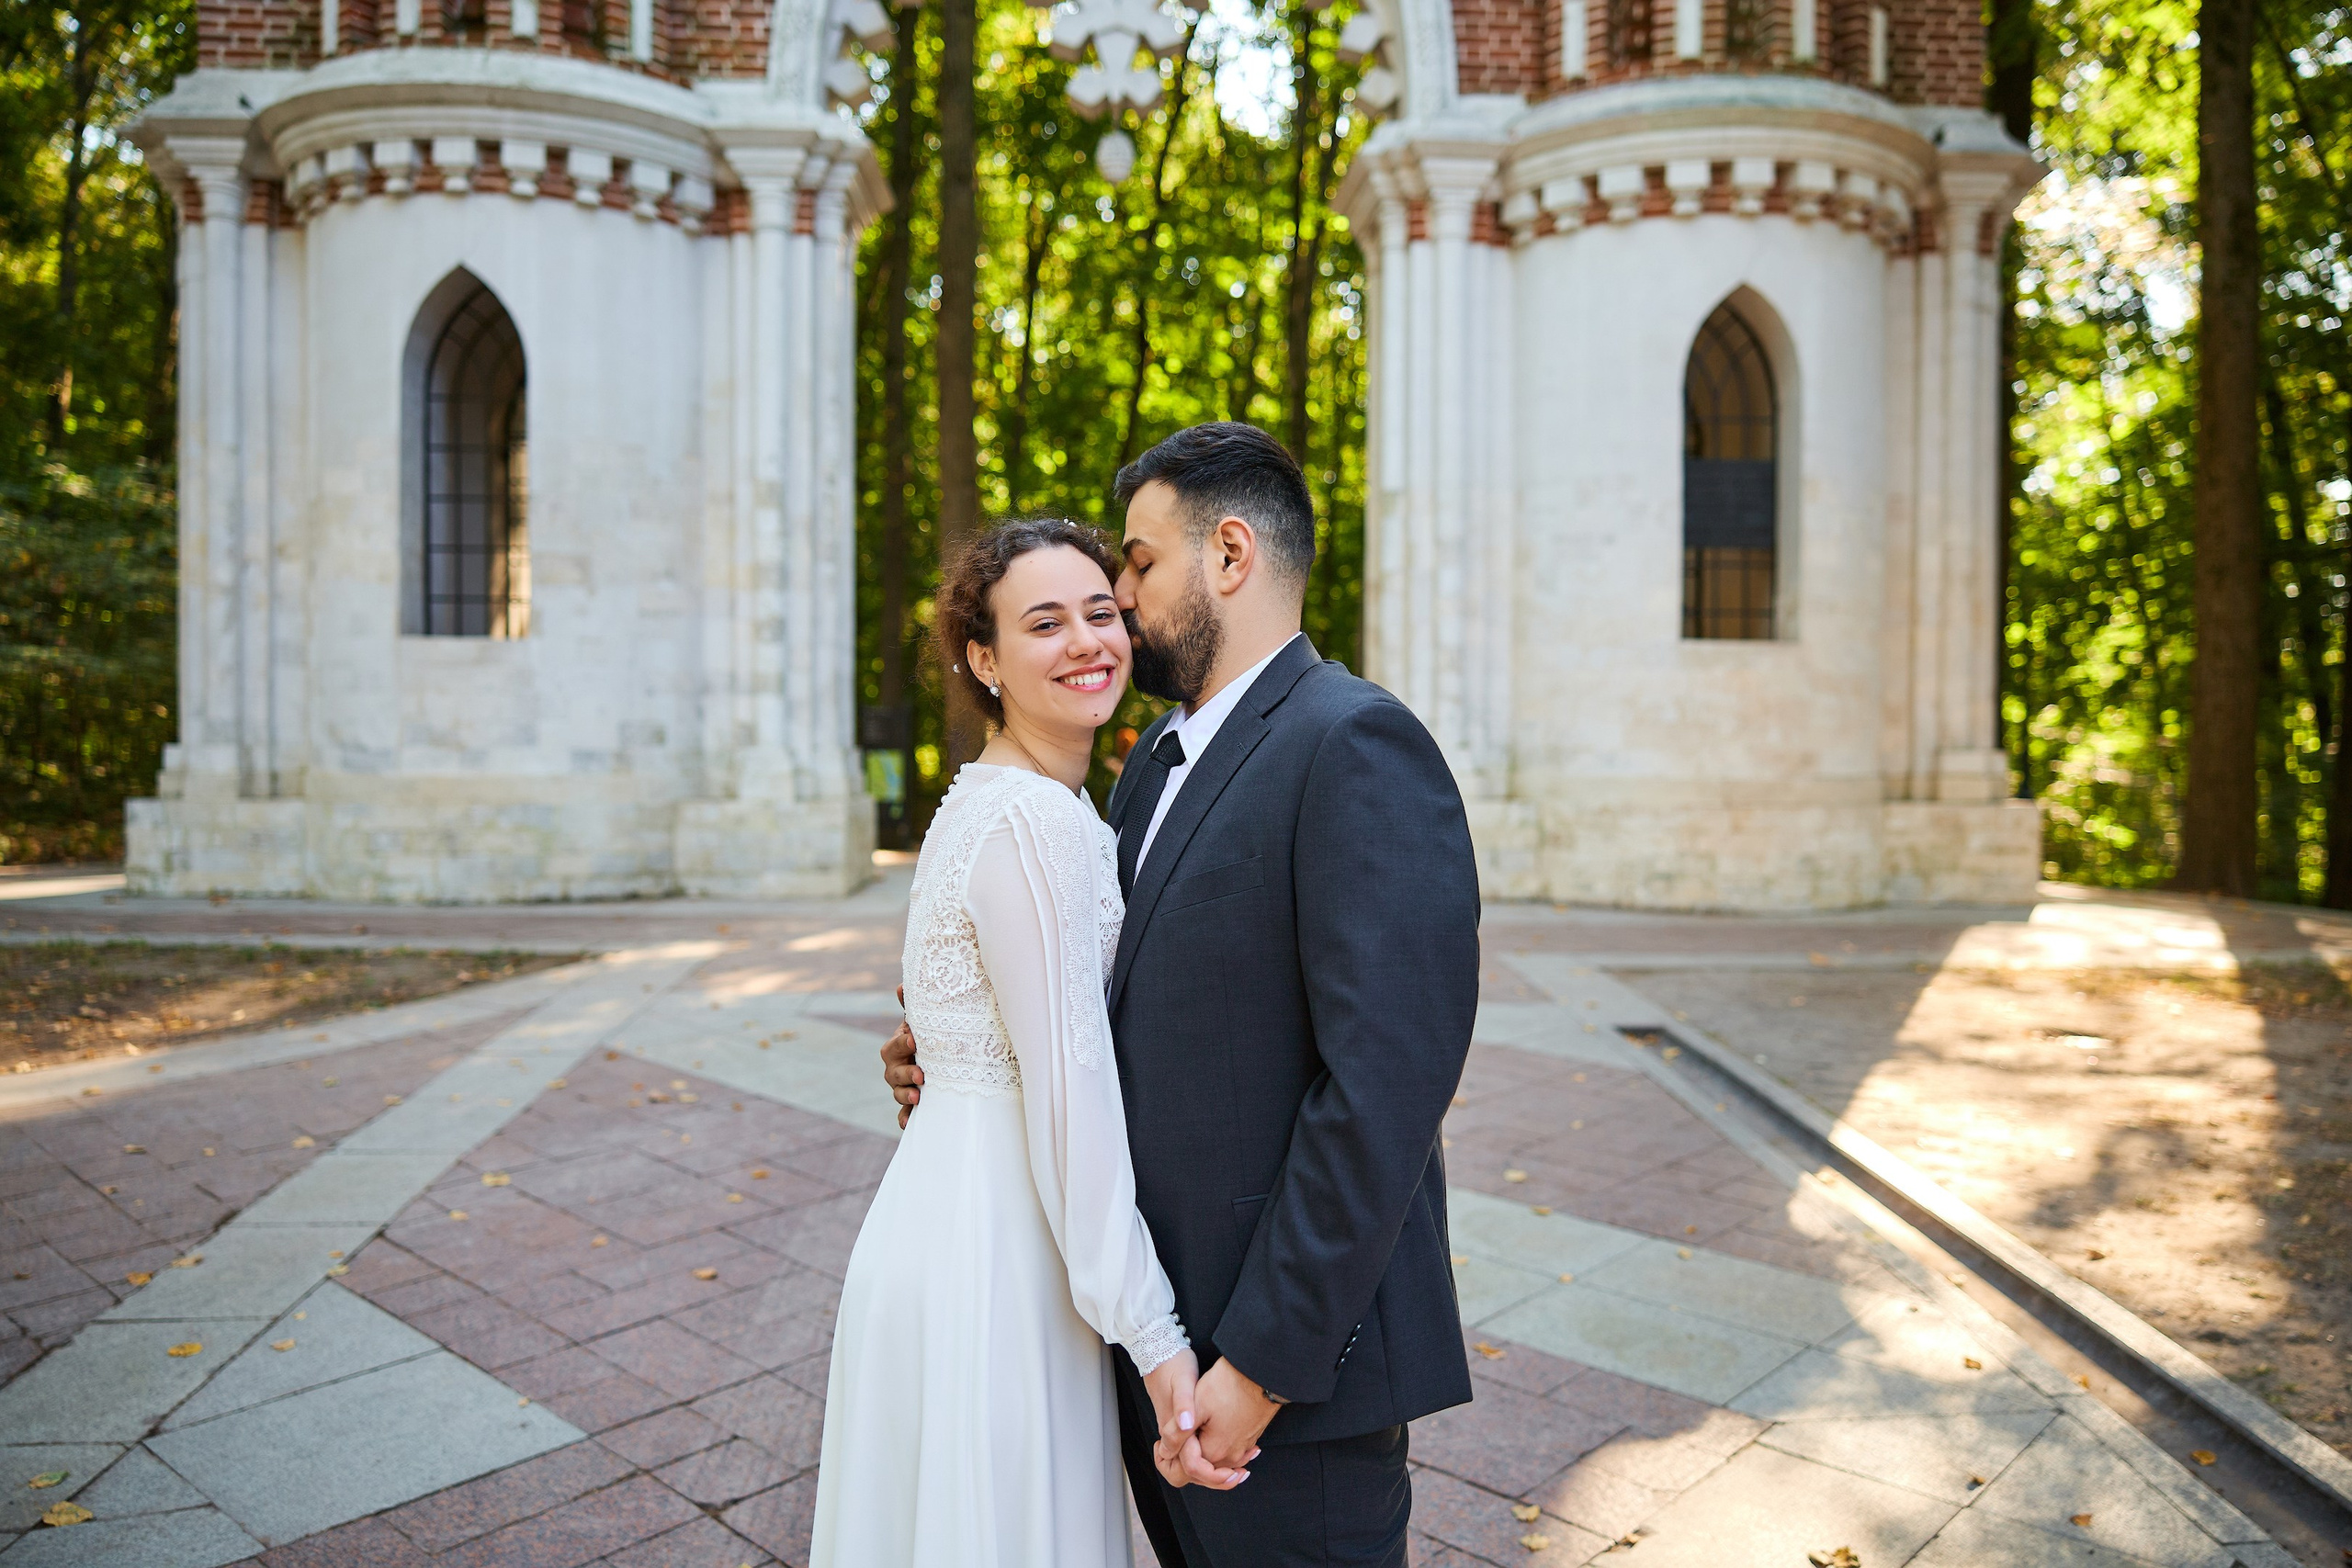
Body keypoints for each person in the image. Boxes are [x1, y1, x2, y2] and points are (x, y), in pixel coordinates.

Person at [883, 423, 1483, 1567]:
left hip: (1284, 1390)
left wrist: (1258, 1368)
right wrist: (965, 1052)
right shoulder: (1154, 757)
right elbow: (1100, 998)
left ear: (1232, 555)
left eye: (1140, 566)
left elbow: (1384, 1090)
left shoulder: (1351, 741)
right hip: (1141, 1359)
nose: (1117, 593)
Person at [809, 518, 1247, 1568]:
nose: (1087, 642)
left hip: (963, 1213)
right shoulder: (1031, 825)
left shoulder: (1022, 802)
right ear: (983, 658)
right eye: (1043, 623)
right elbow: (1067, 1095)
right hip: (999, 1253)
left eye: (1102, 612)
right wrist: (1156, 1341)